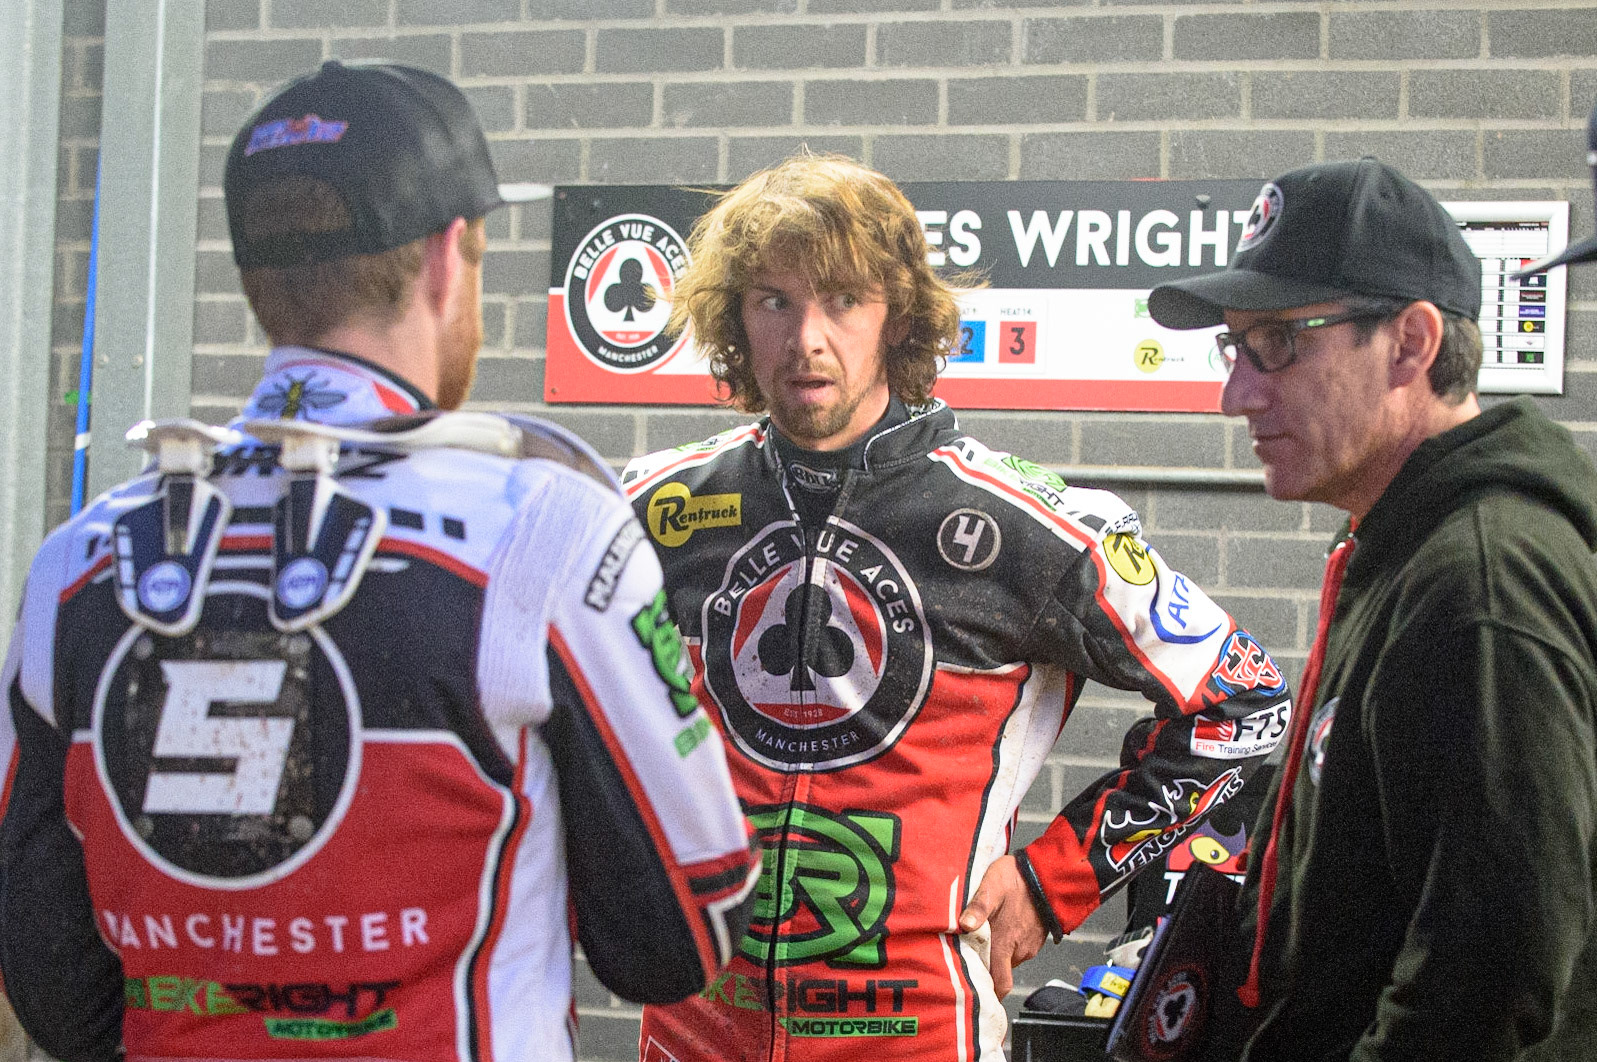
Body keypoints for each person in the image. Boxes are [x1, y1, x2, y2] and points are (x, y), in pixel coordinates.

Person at [0, 60, 757, 1062]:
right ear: (450, 259)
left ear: (255, 278)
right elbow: (682, 934)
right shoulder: (541, 524)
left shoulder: (78, 560)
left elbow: (53, 984)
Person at [619, 153, 1293, 1062]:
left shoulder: (1031, 528)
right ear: (736, 319)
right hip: (691, 1035)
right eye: (774, 301)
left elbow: (1245, 702)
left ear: (896, 316)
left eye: (843, 300)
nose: (807, 339)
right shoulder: (650, 508)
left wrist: (1056, 883)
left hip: (915, 1036)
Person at [1148, 156, 1597, 1061]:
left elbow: (1487, 972)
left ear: (1410, 342)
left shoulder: (1479, 582)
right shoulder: (1393, 547)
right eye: (1234, 348)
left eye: (1278, 343)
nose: (1237, 393)